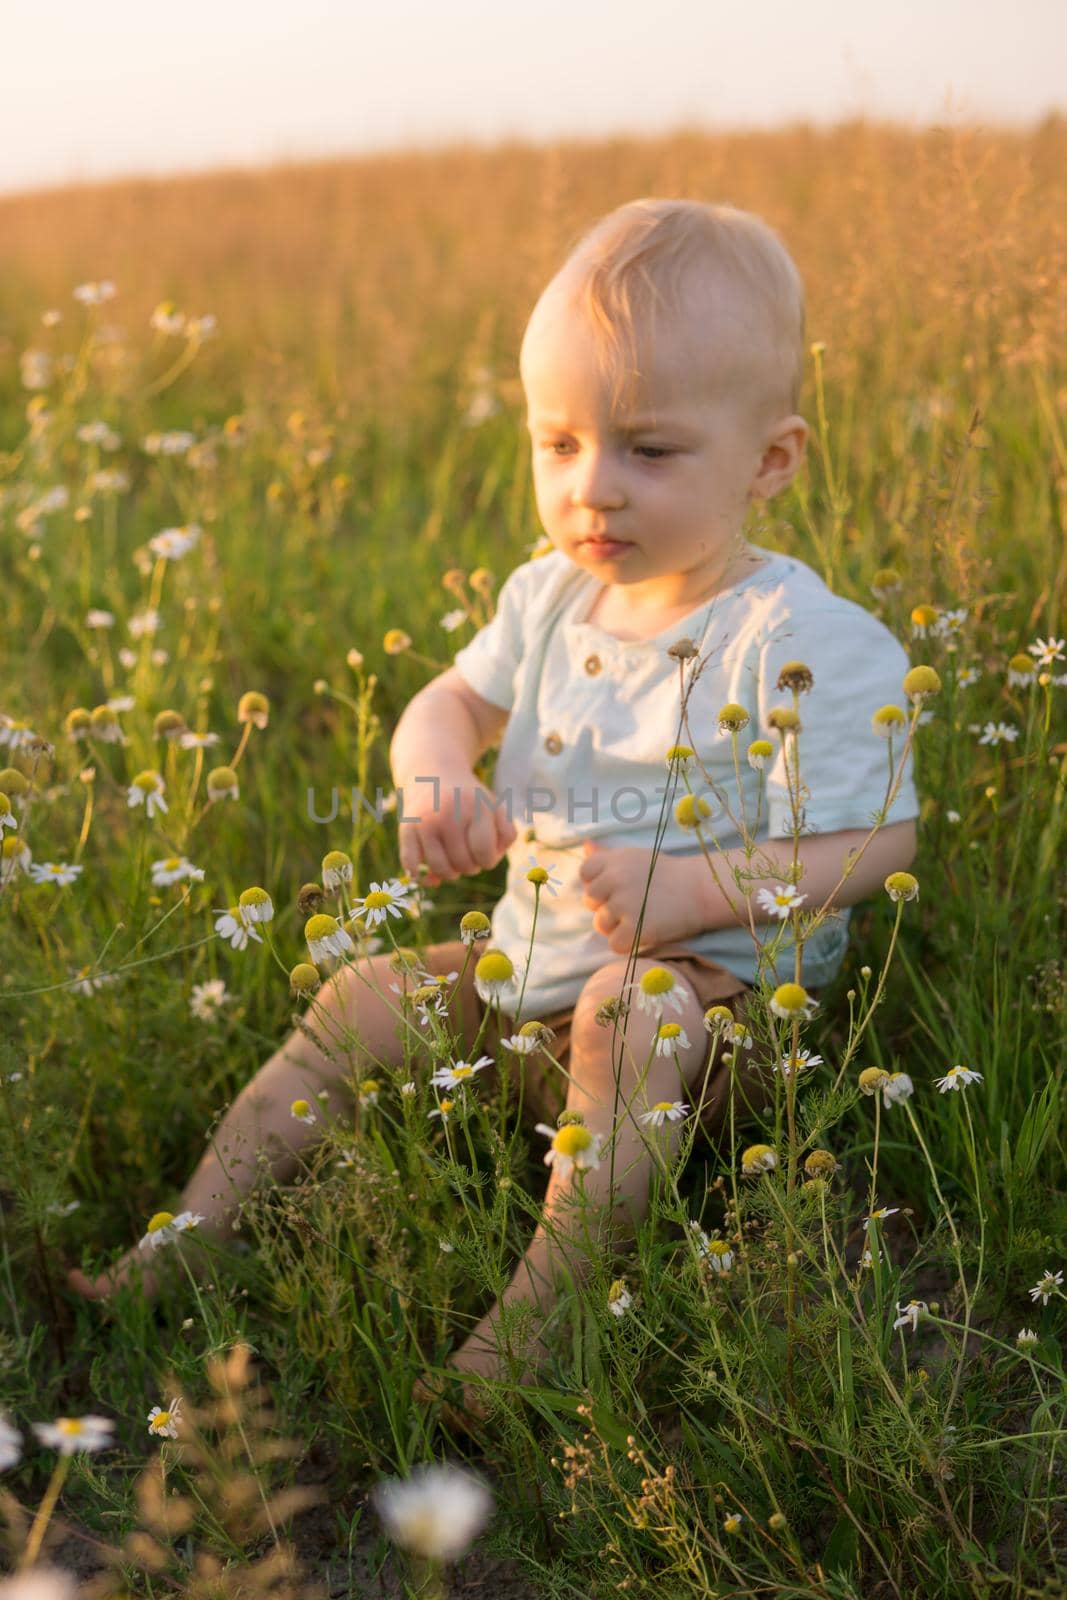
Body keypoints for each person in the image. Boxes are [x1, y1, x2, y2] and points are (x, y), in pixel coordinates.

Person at [70, 197, 918, 1426]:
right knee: (358, 996)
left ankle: (535, 1324)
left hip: (714, 1025)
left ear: (768, 460)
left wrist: (691, 889)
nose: (594, 492)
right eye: (558, 444)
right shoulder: (548, 599)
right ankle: (185, 1241)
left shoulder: (789, 639)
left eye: (649, 451)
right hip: (524, 982)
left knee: (627, 1009)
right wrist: (438, 781)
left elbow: (876, 840)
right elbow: (445, 701)